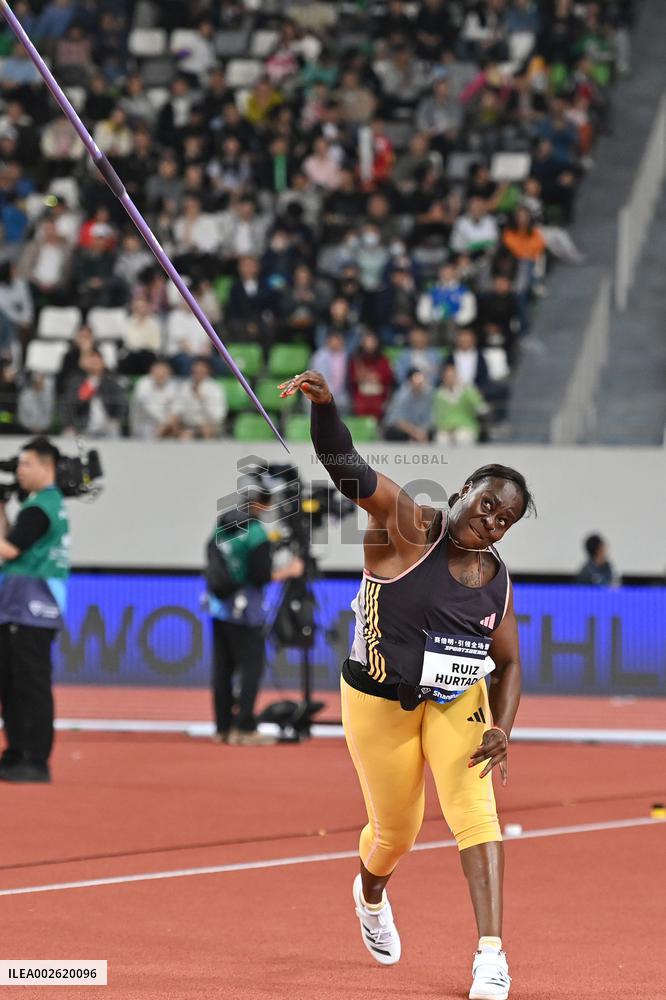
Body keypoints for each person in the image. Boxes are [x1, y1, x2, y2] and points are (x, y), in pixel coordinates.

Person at [278, 367, 536, 1000]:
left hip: (456, 700)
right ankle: (370, 894)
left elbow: (508, 663)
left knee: (476, 814)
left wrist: (502, 727)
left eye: (505, 520)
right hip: (379, 699)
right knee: (397, 830)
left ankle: (491, 955)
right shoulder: (409, 526)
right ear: (465, 491)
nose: (493, 522)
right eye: (488, 504)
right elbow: (347, 467)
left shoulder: (497, 579)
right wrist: (326, 406)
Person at [207, 480, 304, 746]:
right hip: (245, 611)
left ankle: (222, 728)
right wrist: (289, 571)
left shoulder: (223, 524)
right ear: (263, 503)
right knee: (252, 666)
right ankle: (244, 727)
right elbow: (260, 576)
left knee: (223, 668)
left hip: (219, 605)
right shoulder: (256, 533)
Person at [0, 436, 70, 783]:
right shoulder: (45, 505)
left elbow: (10, 550)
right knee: (13, 684)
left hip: (31, 607)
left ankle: (34, 758)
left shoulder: (40, 507)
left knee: (29, 685)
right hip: (23, 607)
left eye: (26, 464)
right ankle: (16, 753)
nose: (19, 471)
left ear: (47, 466)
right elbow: (11, 544)